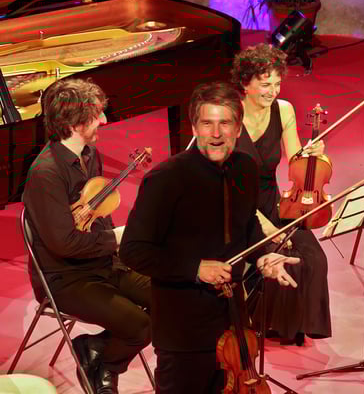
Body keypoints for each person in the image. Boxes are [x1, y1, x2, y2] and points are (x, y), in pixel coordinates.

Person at [119, 81, 299, 394]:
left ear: (238, 128)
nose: (216, 134)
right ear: (194, 128)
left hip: (233, 318)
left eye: (225, 123)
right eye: (207, 123)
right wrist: (195, 268)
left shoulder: (246, 168)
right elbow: (133, 250)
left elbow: (247, 226)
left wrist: (263, 256)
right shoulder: (165, 179)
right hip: (183, 327)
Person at [22, 78, 151, 394]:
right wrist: (116, 238)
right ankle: (108, 366)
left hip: (103, 263)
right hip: (66, 278)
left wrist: (122, 248)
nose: (104, 120)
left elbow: (98, 215)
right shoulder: (45, 174)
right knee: (139, 325)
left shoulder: (90, 154)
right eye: (96, 115)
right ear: (73, 123)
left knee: (172, 297)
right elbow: (64, 243)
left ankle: (94, 347)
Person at [231, 43, 331, 345]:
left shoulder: (283, 109)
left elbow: (295, 159)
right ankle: (258, 317)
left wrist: (313, 154)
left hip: (272, 199)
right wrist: (263, 225)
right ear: (245, 83)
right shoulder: (228, 118)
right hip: (236, 207)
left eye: (277, 83)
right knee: (279, 251)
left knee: (313, 257)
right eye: (265, 84)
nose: (273, 91)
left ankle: (288, 324)